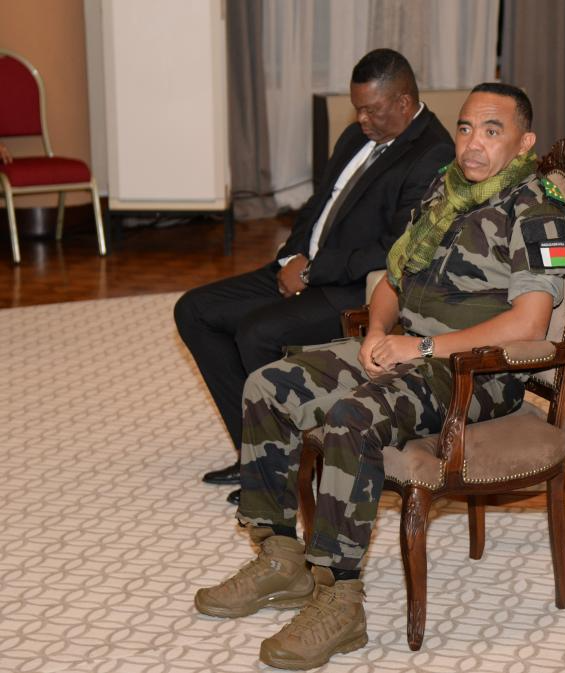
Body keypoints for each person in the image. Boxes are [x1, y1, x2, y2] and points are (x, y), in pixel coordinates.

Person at [192, 83, 565, 670]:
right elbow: (393, 278)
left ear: (524, 143)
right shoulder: (446, 189)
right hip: (408, 348)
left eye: (491, 131)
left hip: (476, 373)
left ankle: (341, 599)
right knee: (268, 387)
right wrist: (376, 332)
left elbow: (529, 323)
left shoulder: (538, 211)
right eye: (466, 128)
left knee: (354, 418)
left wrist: (419, 346)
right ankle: (280, 558)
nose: (473, 143)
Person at [174, 49, 453, 503]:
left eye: (371, 109)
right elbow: (318, 204)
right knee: (195, 310)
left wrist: (313, 270)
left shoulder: (433, 154)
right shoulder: (356, 135)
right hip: (307, 267)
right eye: (357, 107)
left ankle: (277, 471)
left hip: (350, 287)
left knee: (257, 332)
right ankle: (254, 452)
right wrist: (292, 256)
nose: (360, 119)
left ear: (404, 103)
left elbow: (394, 247)